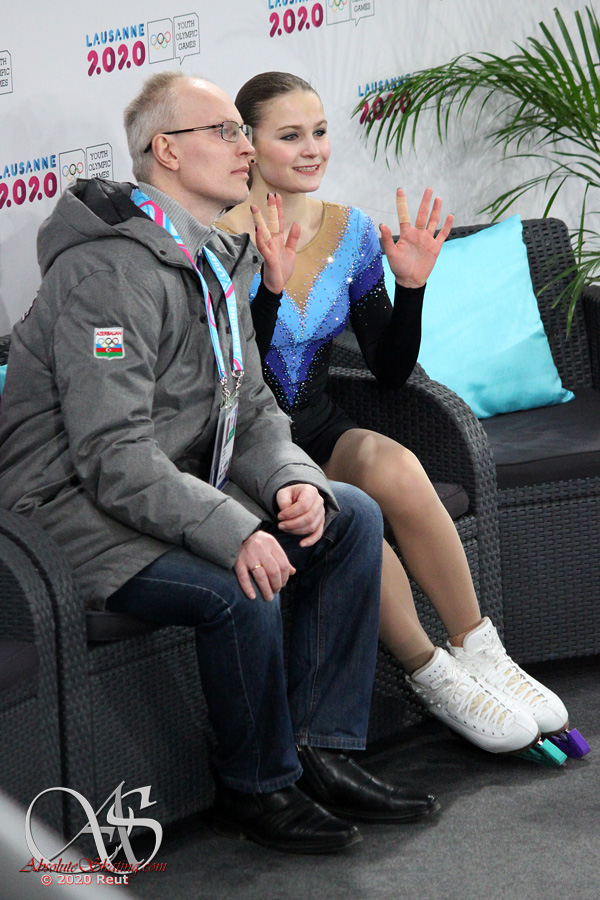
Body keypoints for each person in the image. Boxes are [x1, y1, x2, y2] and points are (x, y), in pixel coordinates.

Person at [0, 71, 439, 855]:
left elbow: (255, 407)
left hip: (175, 482)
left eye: (244, 130)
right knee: (238, 583)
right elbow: (112, 458)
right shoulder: (104, 276)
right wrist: (236, 530)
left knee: (349, 515)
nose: (245, 147)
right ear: (167, 151)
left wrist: (295, 482)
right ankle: (256, 785)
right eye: (226, 132)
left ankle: (321, 751)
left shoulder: (216, 259)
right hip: (69, 513)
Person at [216, 71, 571, 756]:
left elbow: (388, 370)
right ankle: (432, 674)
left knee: (395, 464)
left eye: (320, 131)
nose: (312, 149)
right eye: (290, 135)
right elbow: (232, 376)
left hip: (317, 426)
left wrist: (411, 288)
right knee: (354, 518)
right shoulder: (216, 240)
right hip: (250, 450)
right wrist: (269, 288)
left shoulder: (349, 232)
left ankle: (480, 650)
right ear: (249, 145)